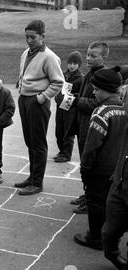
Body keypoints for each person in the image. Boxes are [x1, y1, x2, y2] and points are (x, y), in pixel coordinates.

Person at [73, 67, 126, 253]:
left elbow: (91, 146)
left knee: (95, 201)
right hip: (118, 168)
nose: (93, 92)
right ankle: (106, 232)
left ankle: (95, 236)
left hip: (100, 168)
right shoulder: (123, 108)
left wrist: (85, 168)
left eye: (96, 89)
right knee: (109, 202)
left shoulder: (101, 113)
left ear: (106, 90)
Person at [14, 20, 64, 195]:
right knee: (29, 141)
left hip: (37, 103)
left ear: (42, 37)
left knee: (38, 143)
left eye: (33, 37)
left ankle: (37, 183)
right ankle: (32, 176)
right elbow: (25, 73)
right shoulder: (25, 53)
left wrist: (42, 97)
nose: (29, 40)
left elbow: (58, 82)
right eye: (26, 37)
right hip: (24, 100)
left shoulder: (49, 57)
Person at [70, 41, 109, 215]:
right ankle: (87, 194)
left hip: (92, 125)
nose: (88, 58)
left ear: (103, 57)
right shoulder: (89, 74)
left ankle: (92, 200)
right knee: (85, 162)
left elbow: (97, 102)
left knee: (91, 164)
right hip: (83, 124)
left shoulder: (102, 76)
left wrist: (77, 101)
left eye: (93, 56)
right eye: (87, 54)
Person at [101, 90, 128, 270]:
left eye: (125, 100)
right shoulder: (126, 124)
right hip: (119, 185)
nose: (122, 102)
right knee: (108, 233)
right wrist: (115, 177)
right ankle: (115, 257)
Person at [53, 51, 84, 163]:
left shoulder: (81, 78)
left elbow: (81, 94)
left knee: (68, 131)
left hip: (70, 108)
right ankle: (61, 151)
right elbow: (58, 88)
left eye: (75, 63)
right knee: (59, 131)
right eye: (70, 63)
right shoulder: (63, 75)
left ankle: (66, 154)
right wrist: (57, 97)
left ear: (79, 65)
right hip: (60, 106)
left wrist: (73, 96)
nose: (72, 66)